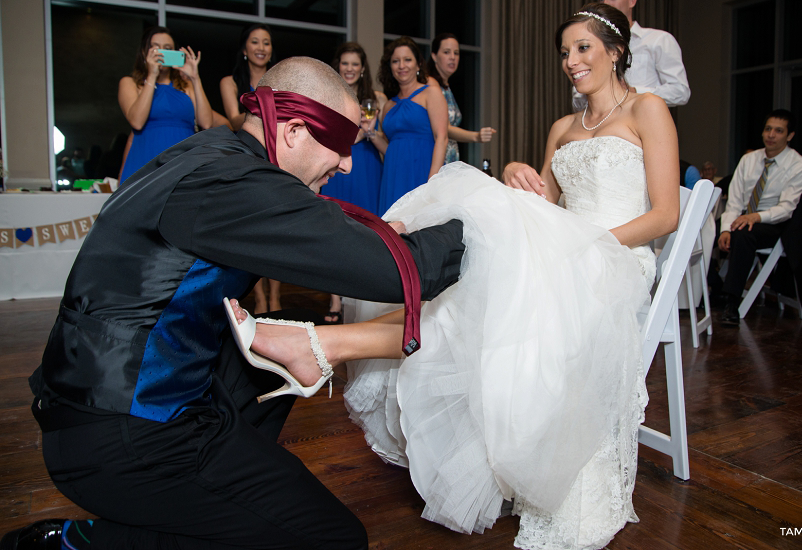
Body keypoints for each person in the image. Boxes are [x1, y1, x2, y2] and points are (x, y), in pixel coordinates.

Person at [233, 2, 676, 548]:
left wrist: (586, 244)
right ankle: (330, 335)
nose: (571, 61)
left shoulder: (648, 110)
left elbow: (665, 215)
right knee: (471, 262)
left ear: (615, 51)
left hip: (615, 258)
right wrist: (518, 175)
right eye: (564, 51)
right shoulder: (563, 127)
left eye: (583, 48)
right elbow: (546, 205)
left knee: (485, 281)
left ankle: (321, 342)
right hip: (565, 251)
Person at [1, 57, 466, 550]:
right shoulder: (235, 186)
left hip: (94, 400)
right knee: (334, 539)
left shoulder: (215, 154)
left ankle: (170, 513)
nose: (349, 163)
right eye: (341, 144)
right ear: (292, 132)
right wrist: (493, 228)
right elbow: (400, 272)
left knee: (276, 345)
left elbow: (327, 228)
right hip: (123, 429)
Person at [717, 109, 802, 325]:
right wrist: (724, 229)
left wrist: (756, 218)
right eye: (768, 129)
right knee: (703, 228)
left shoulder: (799, 166)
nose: (771, 135)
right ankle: (709, 288)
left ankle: (732, 303)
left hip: (776, 224)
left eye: (779, 131)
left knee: (743, 233)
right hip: (742, 218)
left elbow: (787, 209)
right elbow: (734, 200)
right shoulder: (749, 160)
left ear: (789, 136)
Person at [322, 42, 389, 322]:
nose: (349, 69)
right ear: (338, 66)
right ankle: (335, 298)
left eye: (355, 64)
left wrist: (369, 133)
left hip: (367, 168)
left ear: (363, 69)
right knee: (333, 230)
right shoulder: (328, 96)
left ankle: (364, 294)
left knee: (366, 231)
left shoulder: (379, 98)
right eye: (345, 63)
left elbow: (385, 144)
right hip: (337, 164)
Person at [219, 24, 281, 313]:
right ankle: (257, 298)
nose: (261, 47)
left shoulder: (281, 80)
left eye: (266, 42)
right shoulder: (230, 82)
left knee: (278, 226)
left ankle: (275, 298)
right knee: (252, 228)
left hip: (277, 157)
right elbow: (233, 120)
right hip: (246, 156)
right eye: (255, 42)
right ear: (244, 49)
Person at [574, 0, 690, 111]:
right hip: (599, 126)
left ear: (632, 0)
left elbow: (680, 92)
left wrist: (634, 91)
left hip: (645, 124)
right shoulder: (590, 45)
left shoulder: (659, 40)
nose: (605, 3)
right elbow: (577, 102)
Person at [118, 26, 212, 181]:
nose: (161, 52)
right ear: (144, 52)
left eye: (167, 48)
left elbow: (206, 123)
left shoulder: (186, 85)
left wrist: (195, 79)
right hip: (144, 162)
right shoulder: (130, 83)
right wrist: (152, 75)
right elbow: (137, 122)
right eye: (155, 48)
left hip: (183, 163)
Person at [375, 36, 449, 214]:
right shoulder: (388, 106)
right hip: (393, 175)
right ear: (390, 67)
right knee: (392, 232)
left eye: (407, 60)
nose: (402, 65)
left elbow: (442, 138)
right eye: (395, 61)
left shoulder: (431, 93)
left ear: (418, 65)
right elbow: (389, 148)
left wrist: (432, 182)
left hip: (421, 172)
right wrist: (370, 134)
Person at [425, 33, 496, 163]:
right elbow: (443, 127)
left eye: (456, 53)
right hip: (436, 157)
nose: (452, 57)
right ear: (434, 56)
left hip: (450, 155)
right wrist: (476, 136)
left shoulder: (446, 87)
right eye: (447, 52)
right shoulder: (431, 85)